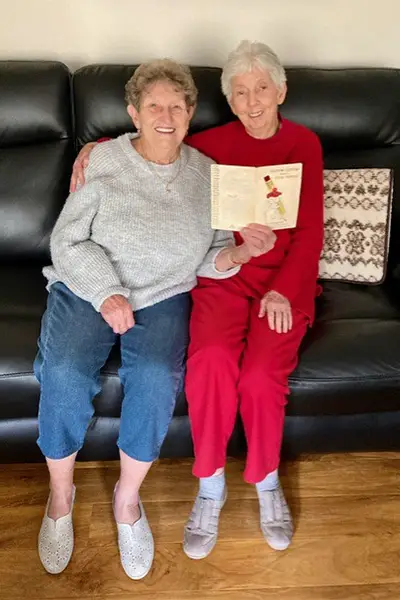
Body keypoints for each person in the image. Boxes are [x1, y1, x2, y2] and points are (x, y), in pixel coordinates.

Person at [70, 40, 324, 559]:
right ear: (228, 101)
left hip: (283, 284)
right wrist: (91, 147)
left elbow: (312, 231)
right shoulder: (208, 144)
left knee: (259, 376)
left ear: (281, 91)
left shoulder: (306, 144)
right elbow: (153, 141)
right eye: (239, 92)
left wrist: (284, 290)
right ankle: (210, 486)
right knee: (208, 361)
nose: (252, 102)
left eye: (261, 89)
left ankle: (267, 480)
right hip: (222, 277)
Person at [36, 57, 275, 580]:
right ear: (133, 113)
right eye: (153, 106)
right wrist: (106, 293)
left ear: (190, 114)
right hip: (89, 286)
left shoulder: (207, 175)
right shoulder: (102, 161)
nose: (165, 115)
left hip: (164, 293)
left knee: (155, 377)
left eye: (177, 106)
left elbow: (210, 254)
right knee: (64, 372)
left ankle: (127, 500)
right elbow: (67, 240)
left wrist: (238, 255)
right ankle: (60, 498)